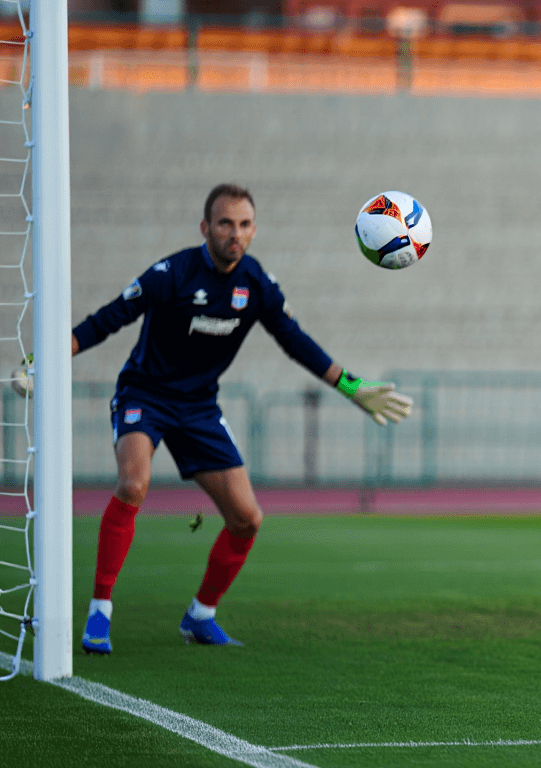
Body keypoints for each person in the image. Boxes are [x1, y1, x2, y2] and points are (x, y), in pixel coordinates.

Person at [74, 183, 413, 654]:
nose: (235, 233)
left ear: (254, 230)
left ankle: (201, 615)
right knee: (133, 484)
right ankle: (100, 609)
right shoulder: (171, 274)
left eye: (245, 224)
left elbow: (295, 340)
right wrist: (45, 359)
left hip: (199, 408)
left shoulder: (256, 284)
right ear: (205, 228)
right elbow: (107, 319)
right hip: (145, 395)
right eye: (225, 223)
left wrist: (351, 387)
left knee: (247, 519)